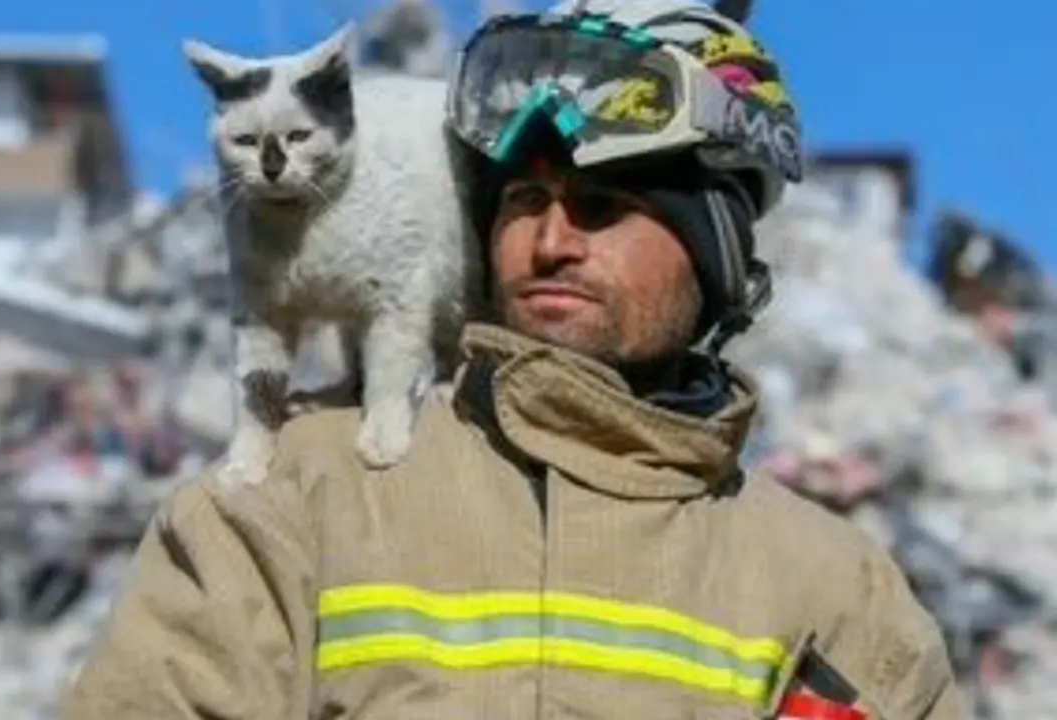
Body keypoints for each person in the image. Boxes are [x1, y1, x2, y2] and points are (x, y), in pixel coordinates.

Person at [62, 0, 964, 717]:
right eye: (525, 200)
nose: (549, 242)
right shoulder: (292, 505)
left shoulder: (835, 594)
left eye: (603, 207)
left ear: (718, 253)